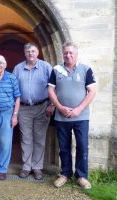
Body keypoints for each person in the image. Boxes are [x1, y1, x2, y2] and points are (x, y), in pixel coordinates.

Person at [48, 42, 96, 189]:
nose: (68, 55)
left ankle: (81, 176)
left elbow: (92, 91)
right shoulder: (56, 70)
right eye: (66, 53)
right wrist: (60, 107)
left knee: (82, 146)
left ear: (76, 54)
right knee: (63, 147)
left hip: (81, 117)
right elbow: (50, 91)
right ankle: (65, 174)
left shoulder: (86, 69)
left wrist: (78, 109)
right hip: (61, 116)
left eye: (71, 53)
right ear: (63, 54)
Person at [13, 42, 54, 180]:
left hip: (42, 107)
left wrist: (52, 105)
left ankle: (37, 167)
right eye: (28, 51)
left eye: (33, 51)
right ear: (25, 53)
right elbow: (13, 88)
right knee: (26, 139)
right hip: (24, 108)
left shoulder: (46, 67)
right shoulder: (18, 68)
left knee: (39, 139)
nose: (30, 53)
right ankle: (26, 167)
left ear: (38, 53)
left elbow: (54, 87)